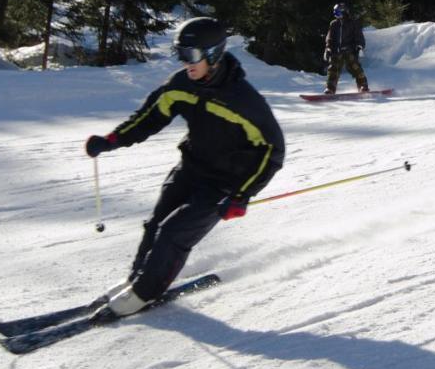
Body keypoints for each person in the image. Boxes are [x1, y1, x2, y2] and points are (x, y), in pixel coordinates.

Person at [84, 17, 285, 316]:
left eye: (191, 55)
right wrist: (111, 140)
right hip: (191, 169)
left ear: (214, 54)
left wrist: (243, 194)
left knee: (173, 234)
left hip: (225, 183)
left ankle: (143, 293)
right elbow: (149, 117)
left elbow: (273, 151)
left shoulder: (244, 100)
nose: (185, 63)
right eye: (181, 54)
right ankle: (137, 279)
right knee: (154, 225)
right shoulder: (181, 85)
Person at [323, 2, 369, 94]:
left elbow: (359, 36)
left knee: (355, 67)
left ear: (344, 12)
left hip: (350, 50)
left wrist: (359, 47)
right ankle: (330, 88)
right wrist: (328, 48)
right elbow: (329, 38)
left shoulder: (353, 23)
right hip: (337, 51)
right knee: (333, 68)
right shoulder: (334, 24)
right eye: (335, 13)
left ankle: (363, 86)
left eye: (338, 13)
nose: (336, 15)